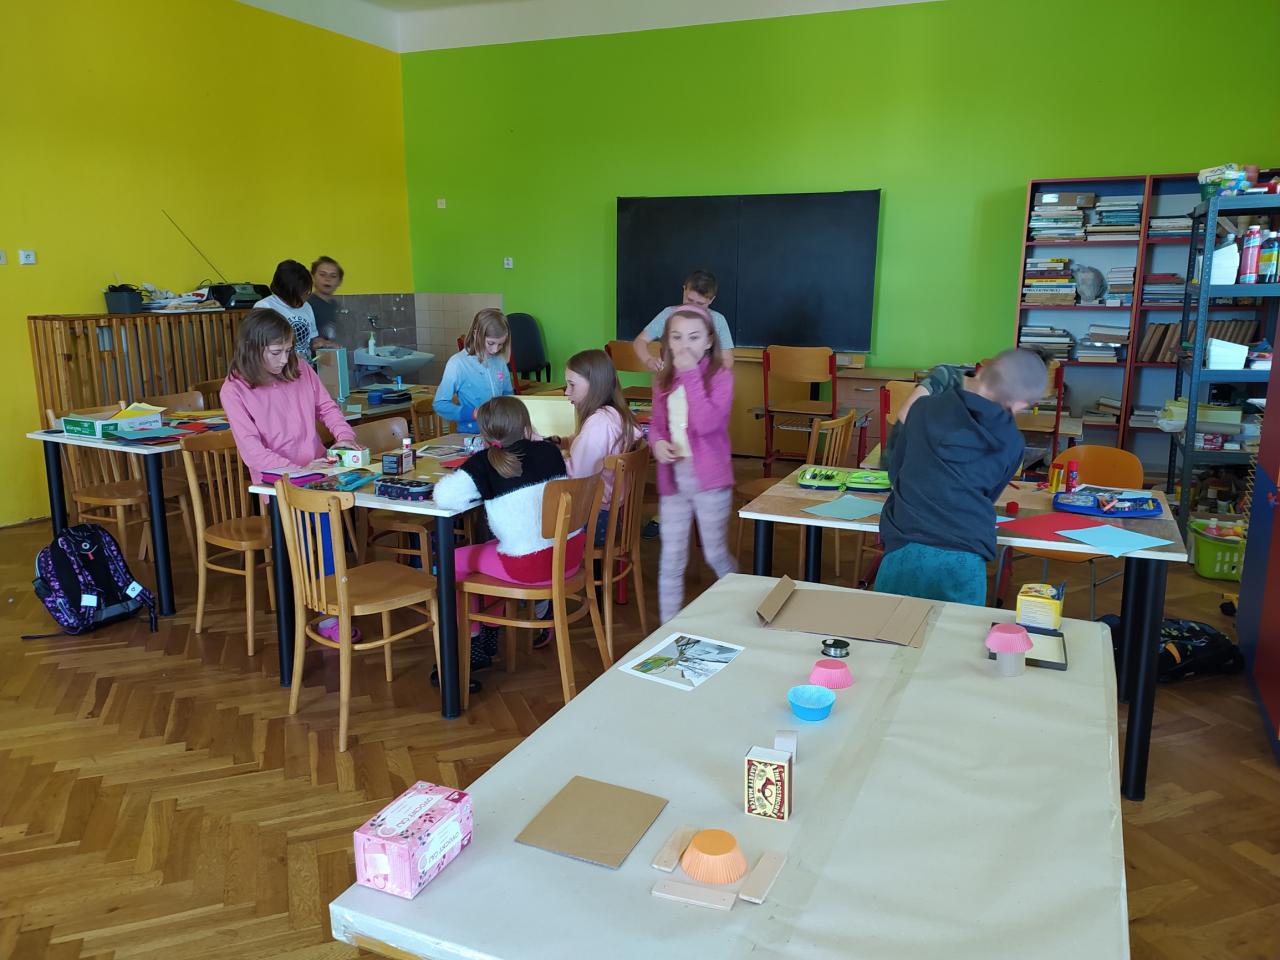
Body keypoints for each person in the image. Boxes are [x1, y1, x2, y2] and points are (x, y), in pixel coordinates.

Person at [874, 348, 1047, 606]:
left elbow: (896, 470)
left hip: (906, 540)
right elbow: (990, 494)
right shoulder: (1012, 441)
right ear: (1020, 403)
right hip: (966, 553)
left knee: (891, 625)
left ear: (983, 374)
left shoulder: (923, 408)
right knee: (958, 630)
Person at [432, 397, 583, 675]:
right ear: (526, 426)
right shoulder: (549, 452)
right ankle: (490, 631)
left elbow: (444, 497)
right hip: (569, 558)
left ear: (483, 433)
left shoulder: (482, 464)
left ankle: (473, 641)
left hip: (529, 567)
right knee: (492, 550)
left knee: (451, 561)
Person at [650, 304, 737, 623]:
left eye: (694, 337)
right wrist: (657, 443)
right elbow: (657, 425)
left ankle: (741, 606)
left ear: (709, 341)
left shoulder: (721, 377)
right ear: (667, 342)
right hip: (674, 480)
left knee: (715, 554)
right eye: (676, 337)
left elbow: (707, 423)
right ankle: (667, 629)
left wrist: (690, 375)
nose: (684, 345)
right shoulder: (663, 380)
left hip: (710, 481)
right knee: (671, 560)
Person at [220, 307, 360, 485]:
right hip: (278, 481)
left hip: (319, 470)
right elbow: (253, 453)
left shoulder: (300, 367)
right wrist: (300, 471)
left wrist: (345, 436)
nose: (284, 360)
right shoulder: (234, 390)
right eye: (276, 352)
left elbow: (326, 407)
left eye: (288, 350)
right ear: (251, 349)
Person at [561, 349, 639, 547]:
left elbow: (577, 478)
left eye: (572, 385)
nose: (567, 392)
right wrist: (565, 442)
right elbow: (594, 446)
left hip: (593, 519)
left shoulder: (598, 424)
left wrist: (550, 457)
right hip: (610, 515)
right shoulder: (614, 414)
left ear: (594, 385)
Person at [632, 269, 734, 372]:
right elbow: (640, 341)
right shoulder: (668, 314)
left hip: (705, 378)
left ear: (711, 300)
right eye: (689, 300)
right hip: (672, 377)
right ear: (684, 290)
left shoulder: (718, 320)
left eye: (700, 303)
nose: (693, 307)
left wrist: (705, 373)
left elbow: (728, 361)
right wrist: (648, 360)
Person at [433, 309, 513, 433]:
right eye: (490, 343)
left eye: (500, 344)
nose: (495, 350)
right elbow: (440, 404)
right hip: (470, 435)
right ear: (476, 335)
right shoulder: (458, 363)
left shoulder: (499, 361)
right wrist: (473, 413)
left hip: (500, 433)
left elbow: (508, 395)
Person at [254, 259, 336, 365]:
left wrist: (322, 343)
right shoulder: (265, 307)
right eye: (301, 294)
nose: (305, 298)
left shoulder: (306, 307)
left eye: (307, 293)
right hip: (279, 369)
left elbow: (311, 340)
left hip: (304, 368)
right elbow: (259, 346)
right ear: (287, 292)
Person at [309, 256, 344, 341]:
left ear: (340, 281)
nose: (327, 279)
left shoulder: (336, 307)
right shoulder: (306, 305)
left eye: (333, 276)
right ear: (312, 277)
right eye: (322, 274)